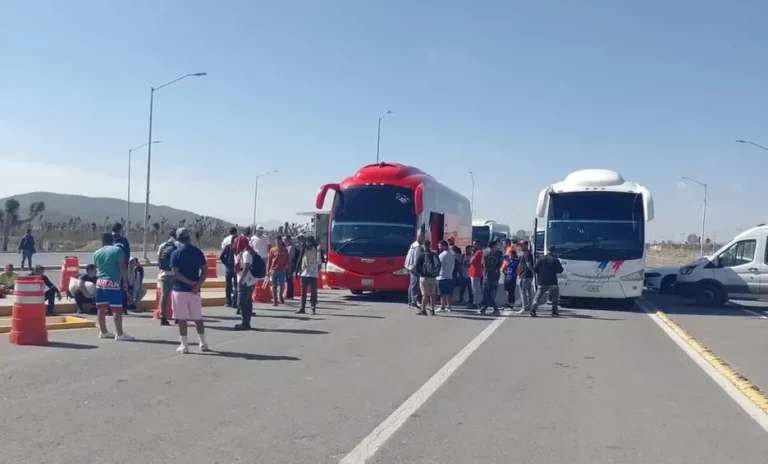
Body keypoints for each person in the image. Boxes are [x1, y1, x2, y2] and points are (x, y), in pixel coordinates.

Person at [170, 228, 209, 353]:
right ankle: (203, 343)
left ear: (178, 239)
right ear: (189, 237)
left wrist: (189, 282)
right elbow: (205, 270)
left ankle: (184, 345)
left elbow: (175, 274)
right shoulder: (198, 252)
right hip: (195, 291)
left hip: (180, 290)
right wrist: (197, 284)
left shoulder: (175, 254)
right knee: (198, 318)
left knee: (182, 319)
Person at [94, 233, 133, 340]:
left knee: (101, 309)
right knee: (117, 309)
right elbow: (122, 266)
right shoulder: (117, 250)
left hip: (99, 282)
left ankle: (103, 332)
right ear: (112, 240)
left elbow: (97, 267)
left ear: (102, 241)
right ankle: (120, 334)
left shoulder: (97, 253)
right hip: (112, 282)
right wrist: (125, 281)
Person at [530, 245, 564, 317]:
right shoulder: (555, 259)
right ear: (554, 251)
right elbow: (560, 270)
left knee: (538, 297)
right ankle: (554, 312)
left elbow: (535, 269)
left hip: (542, 281)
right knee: (555, 297)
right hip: (552, 281)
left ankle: (533, 310)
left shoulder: (541, 259)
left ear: (548, 250)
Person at [234, 240, 258, 331]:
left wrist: (241, 280)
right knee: (247, 302)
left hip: (246, 282)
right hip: (247, 281)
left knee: (242, 302)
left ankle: (245, 323)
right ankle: (246, 322)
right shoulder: (242, 253)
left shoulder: (246, 253)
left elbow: (247, 267)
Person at [156, 230, 178, 326]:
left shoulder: (162, 245)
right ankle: (177, 317)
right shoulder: (178, 245)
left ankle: (162, 317)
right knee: (176, 296)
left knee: (164, 296)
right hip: (174, 274)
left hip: (163, 274)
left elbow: (158, 260)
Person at [414, 239, 441, 316]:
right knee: (433, 294)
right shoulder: (434, 255)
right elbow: (439, 264)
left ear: (423, 246)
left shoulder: (421, 255)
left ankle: (423, 310)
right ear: (430, 245)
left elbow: (416, 266)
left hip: (424, 277)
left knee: (425, 294)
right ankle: (432, 310)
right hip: (433, 277)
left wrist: (421, 274)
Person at [296, 236, 320, 315]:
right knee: (303, 291)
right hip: (304, 272)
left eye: (309, 241)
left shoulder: (317, 248)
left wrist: (317, 270)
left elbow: (319, 260)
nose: (308, 243)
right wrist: (297, 270)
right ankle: (302, 308)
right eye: (307, 241)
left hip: (313, 273)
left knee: (313, 291)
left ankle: (313, 307)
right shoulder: (304, 248)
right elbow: (300, 259)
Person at [112, 222, 131, 313]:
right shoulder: (124, 240)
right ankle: (123, 307)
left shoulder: (109, 240)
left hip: (110, 268)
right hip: (122, 267)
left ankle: (110, 308)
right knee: (123, 286)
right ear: (120, 230)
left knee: (111, 288)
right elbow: (126, 255)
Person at [480, 240, 503, 315]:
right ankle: (488, 308)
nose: (497, 247)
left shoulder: (496, 254)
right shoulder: (487, 254)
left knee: (490, 294)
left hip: (493, 276)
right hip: (489, 276)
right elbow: (484, 265)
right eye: (496, 246)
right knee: (488, 293)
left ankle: (486, 308)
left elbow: (483, 265)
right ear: (492, 247)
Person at [267, 236, 290, 306]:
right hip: (274, 270)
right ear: (275, 241)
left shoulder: (285, 250)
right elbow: (269, 261)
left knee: (282, 285)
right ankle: (275, 300)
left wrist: (286, 268)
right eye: (276, 241)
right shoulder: (272, 250)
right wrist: (267, 270)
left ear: (281, 241)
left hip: (281, 271)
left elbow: (287, 261)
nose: (278, 242)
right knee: (274, 286)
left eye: (279, 241)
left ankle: (280, 295)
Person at [404, 231, 425, 309]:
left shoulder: (413, 244)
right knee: (415, 286)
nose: (424, 239)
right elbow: (417, 259)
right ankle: (414, 302)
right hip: (414, 267)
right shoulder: (418, 247)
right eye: (423, 237)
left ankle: (410, 302)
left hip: (410, 266)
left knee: (411, 285)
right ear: (420, 237)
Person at [516, 240, 536, 315]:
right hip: (527, 275)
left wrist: (533, 272)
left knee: (523, 292)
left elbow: (528, 264)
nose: (521, 246)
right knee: (528, 292)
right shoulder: (527, 253)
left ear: (526, 245)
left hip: (525, 275)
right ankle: (530, 306)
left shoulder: (527, 254)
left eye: (522, 245)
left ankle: (524, 307)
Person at [436, 240, 455, 313]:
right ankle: (449, 307)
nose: (438, 247)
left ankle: (442, 307)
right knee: (448, 293)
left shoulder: (442, 255)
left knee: (442, 293)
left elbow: (439, 265)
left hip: (441, 276)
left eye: (439, 246)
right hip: (449, 276)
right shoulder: (451, 254)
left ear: (444, 246)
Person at [219, 239, 237, 309]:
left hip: (229, 267)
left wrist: (226, 263)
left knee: (228, 285)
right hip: (236, 268)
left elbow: (221, 256)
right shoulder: (238, 247)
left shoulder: (228, 246)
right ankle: (235, 302)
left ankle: (228, 302)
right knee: (236, 285)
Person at [468, 241, 484, 309]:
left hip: (475, 273)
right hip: (475, 272)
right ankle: (478, 302)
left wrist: (472, 254)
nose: (474, 246)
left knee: (475, 289)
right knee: (476, 288)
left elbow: (471, 261)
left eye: (475, 244)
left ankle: (476, 302)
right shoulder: (477, 252)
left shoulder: (478, 252)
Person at [284, 235, 299, 300]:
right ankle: (288, 293)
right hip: (286, 266)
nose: (285, 241)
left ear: (289, 239)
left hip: (290, 266)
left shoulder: (291, 247)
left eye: (286, 239)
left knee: (289, 280)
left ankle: (290, 295)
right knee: (287, 280)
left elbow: (291, 258)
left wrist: (289, 267)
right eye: (284, 239)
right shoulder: (286, 247)